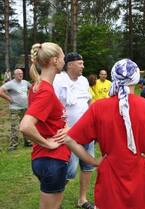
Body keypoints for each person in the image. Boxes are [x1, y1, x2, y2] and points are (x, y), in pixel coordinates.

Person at [64, 59, 145, 209]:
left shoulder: (98, 108)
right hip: (141, 175)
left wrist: (93, 161)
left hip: (109, 176)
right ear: (135, 79)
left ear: (114, 78)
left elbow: (69, 139)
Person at [19, 42, 70, 209]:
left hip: (45, 159)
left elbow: (48, 120)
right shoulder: (45, 91)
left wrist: (66, 127)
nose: (65, 60)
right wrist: (48, 143)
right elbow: (26, 126)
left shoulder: (38, 87)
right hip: (52, 159)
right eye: (63, 56)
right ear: (55, 60)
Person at [53, 52, 95, 209]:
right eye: (80, 63)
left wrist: (94, 121)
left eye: (83, 63)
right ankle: (54, 200)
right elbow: (54, 106)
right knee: (69, 171)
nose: (83, 66)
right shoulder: (58, 80)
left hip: (88, 132)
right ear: (70, 65)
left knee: (88, 166)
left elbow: (90, 101)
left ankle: (82, 199)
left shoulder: (84, 81)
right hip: (68, 134)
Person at [0, 68, 32, 150]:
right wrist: (9, 99)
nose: (20, 75)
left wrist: (29, 97)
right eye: (18, 74)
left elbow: (32, 89)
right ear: (14, 75)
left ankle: (27, 142)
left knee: (25, 125)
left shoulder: (25, 82)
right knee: (15, 127)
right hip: (15, 109)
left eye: (21, 73)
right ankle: (13, 145)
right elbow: (1, 91)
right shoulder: (10, 84)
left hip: (25, 108)